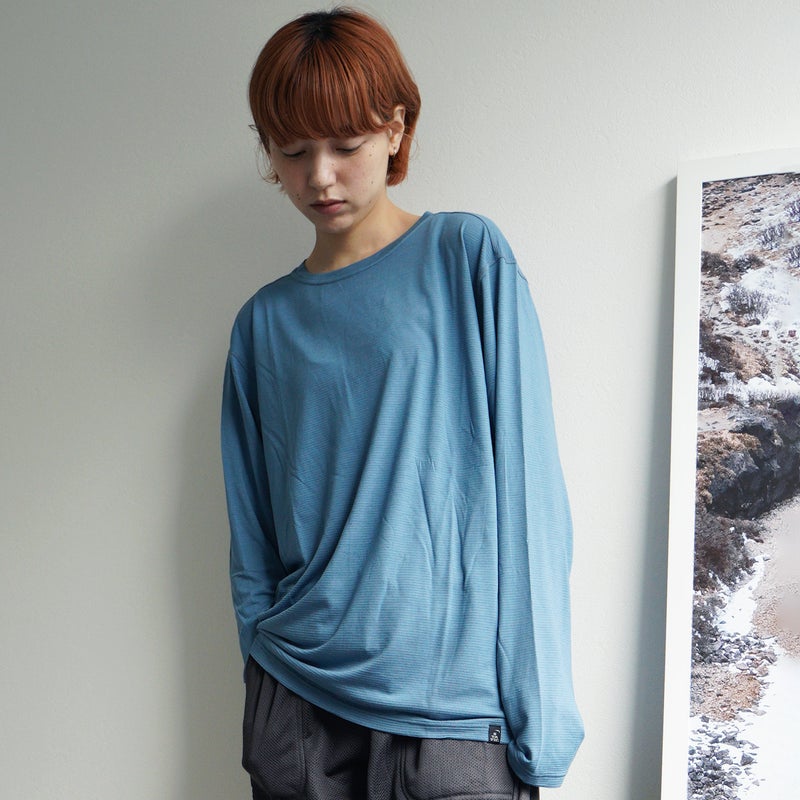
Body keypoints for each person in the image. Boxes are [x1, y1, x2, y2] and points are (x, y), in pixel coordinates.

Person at [221, 7, 583, 799]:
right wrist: (259, 664)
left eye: (345, 145)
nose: (320, 177)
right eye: (292, 151)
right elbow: (252, 539)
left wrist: (543, 713)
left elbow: (529, 497)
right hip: (298, 708)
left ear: (395, 128)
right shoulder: (263, 324)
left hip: (453, 717)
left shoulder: (465, 257)